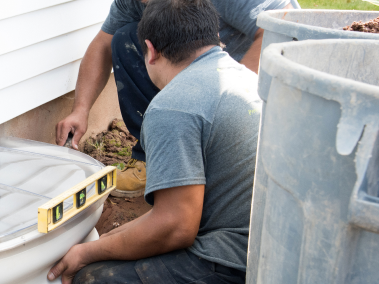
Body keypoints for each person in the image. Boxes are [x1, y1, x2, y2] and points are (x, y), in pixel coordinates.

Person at [47, 0, 264, 284]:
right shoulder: (247, 78)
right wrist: (103, 243)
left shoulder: (173, 106)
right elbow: (172, 217)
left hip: (237, 270)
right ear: (214, 37)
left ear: (149, 49)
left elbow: (175, 228)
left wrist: (85, 254)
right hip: (271, 253)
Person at [55, 0, 291, 198]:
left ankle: (219, 164)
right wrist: (81, 110)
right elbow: (101, 45)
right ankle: (157, 163)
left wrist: (236, 91)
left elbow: (285, 27)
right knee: (124, 38)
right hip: (198, 71)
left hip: (250, 80)